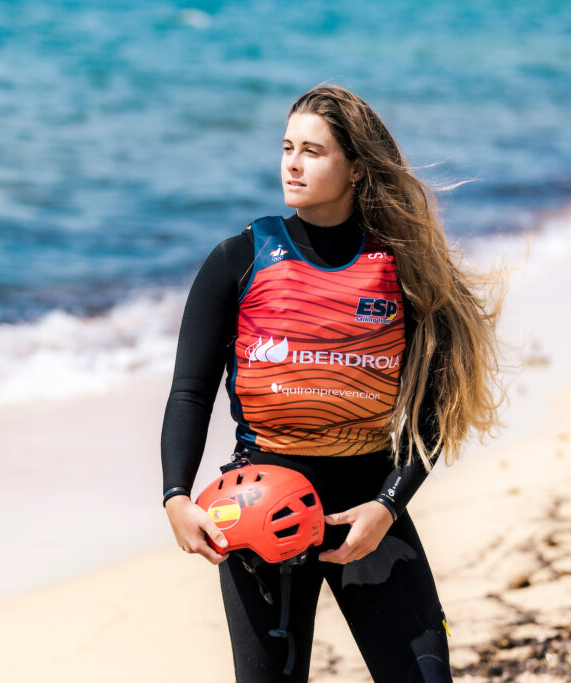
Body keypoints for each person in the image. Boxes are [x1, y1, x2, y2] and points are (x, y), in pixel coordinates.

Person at [160, 85, 502, 682]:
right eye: (287, 147)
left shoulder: (400, 267)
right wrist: (176, 497)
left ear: (356, 168)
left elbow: (435, 403)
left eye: (313, 151)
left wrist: (387, 506)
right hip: (261, 505)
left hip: (366, 501)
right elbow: (191, 391)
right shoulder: (238, 259)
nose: (292, 163)